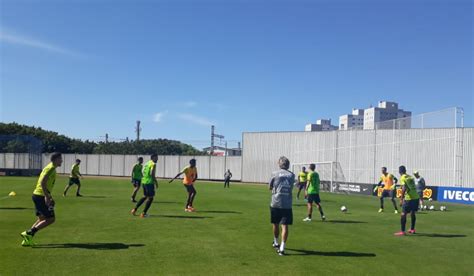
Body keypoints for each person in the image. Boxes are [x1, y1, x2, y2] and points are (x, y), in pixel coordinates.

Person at [20, 152, 63, 246]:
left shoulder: (50, 167)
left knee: (42, 218)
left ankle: (27, 240)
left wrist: (49, 196)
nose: (62, 161)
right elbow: (43, 182)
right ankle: (29, 233)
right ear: (55, 159)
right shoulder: (51, 168)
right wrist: (47, 197)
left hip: (37, 195)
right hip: (40, 196)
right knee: (51, 219)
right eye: (60, 159)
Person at [269, 156, 295, 256]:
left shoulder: (274, 173)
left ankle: (276, 242)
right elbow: (291, 187)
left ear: (279, 164)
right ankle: (282, 247)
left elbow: (270, 187)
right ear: (288, 165)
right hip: (286, 204)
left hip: (275, 201)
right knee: (285, 225)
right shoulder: (292, 175)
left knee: (275, 223)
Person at [395, 165, 420, 236]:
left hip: (409, 198)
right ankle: (412, 229)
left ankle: (402, 231)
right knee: (412, 213)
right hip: (416, 197)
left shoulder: (402, 177)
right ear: (405, 170)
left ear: (399, 171)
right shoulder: (410, 176)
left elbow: (404, 188)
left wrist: (401, 199)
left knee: (403, 213)